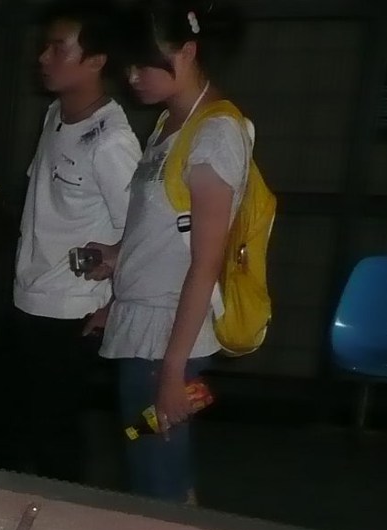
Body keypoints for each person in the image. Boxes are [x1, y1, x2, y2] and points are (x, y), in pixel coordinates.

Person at [83, 1, 250, 504]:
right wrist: (117, 270)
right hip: (143, 330)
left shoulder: (216, 134)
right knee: (150, 463)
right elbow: (162, 234)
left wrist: (175, 373)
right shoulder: (167, 127)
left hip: (169, 341)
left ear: (188, 51)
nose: (132, 77)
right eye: (126, 65)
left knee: (160, 476)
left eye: (144, 63)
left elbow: (205, 262)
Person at [0, 0, 138, 483]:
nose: (44, 57)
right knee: (1, 425)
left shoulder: (111, 141)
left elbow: (143, 232)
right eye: (44, 45)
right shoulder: (54, 114)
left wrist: (115, 303)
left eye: (58, 47)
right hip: (27, 295)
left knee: (54, 436)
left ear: (96, 60)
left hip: (71, 312)